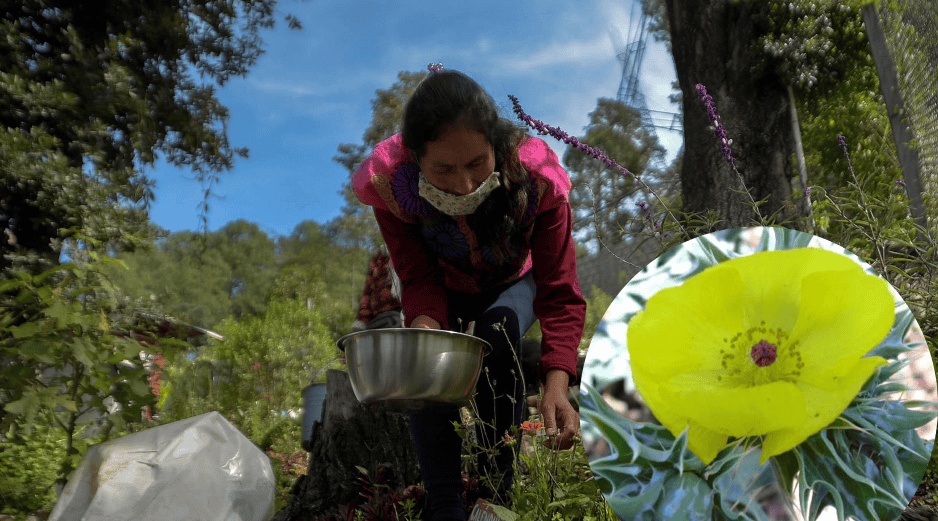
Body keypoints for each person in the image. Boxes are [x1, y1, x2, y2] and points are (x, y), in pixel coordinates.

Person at [352, 67, 585, 521]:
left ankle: (496, 494)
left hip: (518, 282)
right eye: (443, 169)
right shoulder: (393, 189)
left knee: (500, 332)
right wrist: (424, 335)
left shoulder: (537, 182)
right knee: (428, 357)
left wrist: (557, 381)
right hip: (444, 288)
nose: (463, 184)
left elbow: (559, 290)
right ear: (417, 160)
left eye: (477, 163)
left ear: (495, 147)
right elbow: (418, 278)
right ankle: (444, 504)